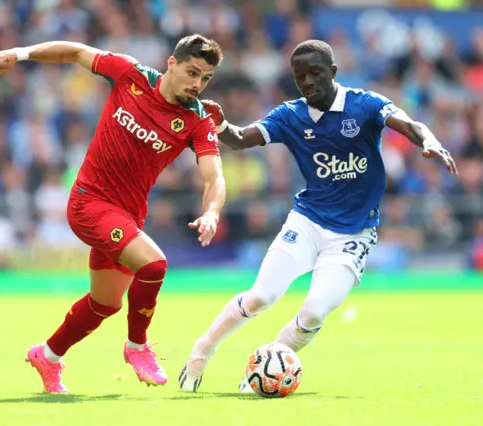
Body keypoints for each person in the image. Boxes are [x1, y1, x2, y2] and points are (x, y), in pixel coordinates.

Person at [178, 40, 458, 393]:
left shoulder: (364, 104)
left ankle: (268, 368)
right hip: (307, 222)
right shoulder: (290, 115)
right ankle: (204, 347)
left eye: (315, 73)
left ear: (333, 73)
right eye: (299, 76)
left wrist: (430, 141)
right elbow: (241, 139)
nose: (307, 82)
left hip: (353, 235)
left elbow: (408, 123)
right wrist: (220, 125)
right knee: (262, 295)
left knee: (313, 313)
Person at [0, 35, 226, 392]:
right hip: (89, 202)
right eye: (192, 72)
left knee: (104, 303)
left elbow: (214, 176)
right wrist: (19, 54)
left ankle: (47, 356)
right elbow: (77, 52)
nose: (197, 84)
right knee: (154, 265)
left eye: (205, 78)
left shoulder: (196, 120)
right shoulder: (131, 75)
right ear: (171, 64)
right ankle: (137, 347)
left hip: (127, 216)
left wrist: (213, 213)